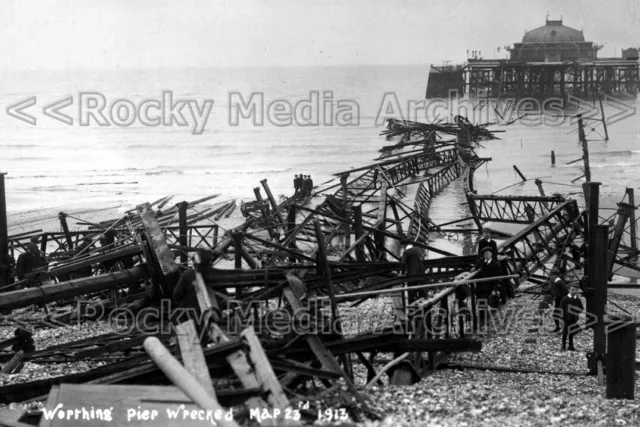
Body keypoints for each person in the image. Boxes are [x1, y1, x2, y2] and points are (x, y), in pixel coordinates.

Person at [470, 247, 503, 322]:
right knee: (480, 301)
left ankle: (484, 319)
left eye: (488, 253)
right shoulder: (482, 261)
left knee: (484, 300)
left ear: (491, 254)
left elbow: (497, 278)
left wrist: (494, 289)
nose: (486, 255)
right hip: (480, 285)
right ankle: (482, 317)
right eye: (485, 254)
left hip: (489, 286)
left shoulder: (495, 265)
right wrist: (474, 268)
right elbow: (477, 266)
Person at [560, 284, 583, 351]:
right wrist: (561, 318)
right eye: (572, 289)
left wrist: (578, 309)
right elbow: (561, 308)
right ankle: (563, 346)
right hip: (566, 319)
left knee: (571, 333)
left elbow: (581, 307)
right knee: (565, 333)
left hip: (574, 319)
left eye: (575, 290)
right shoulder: (565, 299)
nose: (574, 291)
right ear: (569, 290)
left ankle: (571, 346)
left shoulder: (577, 299)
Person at [400, 239, 424, 303]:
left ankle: (412, 304)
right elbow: (423, 258)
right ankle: (420, 300)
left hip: (412, 274)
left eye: (402, 246)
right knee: (420, 288)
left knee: (411, 290)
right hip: (422, 273)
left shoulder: (406, 252)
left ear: (405, 245)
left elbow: (402, 263)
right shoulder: (418, 249)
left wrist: (402, 272)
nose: (402, 248)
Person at [549, 267, 569, 332]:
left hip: (561, 300)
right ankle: (558, 327)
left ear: (555, 275)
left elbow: (566, 290)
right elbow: (553, 290)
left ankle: (564, 328)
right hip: (558, 300)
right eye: (550, 274)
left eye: (551, 275)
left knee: (560, 314)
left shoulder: (559, 281)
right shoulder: (553, 281)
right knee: (557, 314)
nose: (550, 276)